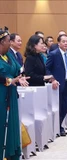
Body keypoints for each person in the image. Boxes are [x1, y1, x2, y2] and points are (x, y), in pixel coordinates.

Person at [0, 27, 29, 160]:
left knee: (12, 122)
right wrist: (10, 80)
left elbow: (18, 69)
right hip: (1, 94)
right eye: (7, 41)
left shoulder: (9, 55)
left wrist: (20, 77)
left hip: (11, 94)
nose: (9, 43)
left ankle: (11, 153)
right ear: (2, 43)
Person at [46, 34, 67, 136]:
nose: (65, 43)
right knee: (59, 106)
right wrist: (52, 79)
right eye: (63, 41)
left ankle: (59, 125)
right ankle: (58, 127)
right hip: (58, 84)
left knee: (66, 105)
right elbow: (47, 68)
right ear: (58, 43)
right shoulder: (53, 54)